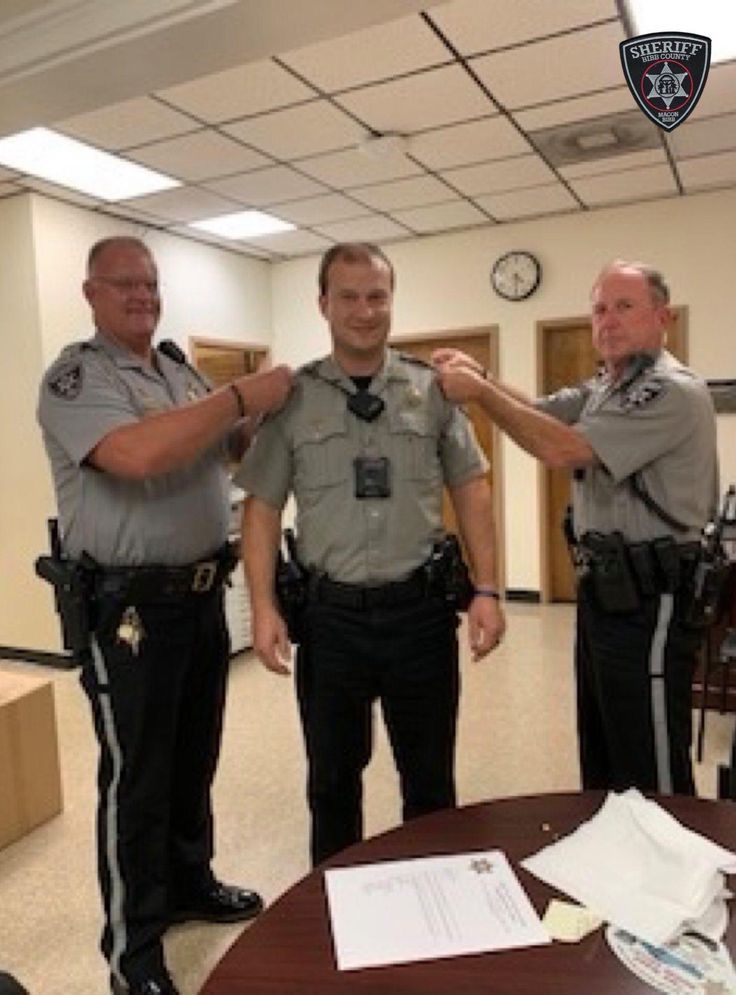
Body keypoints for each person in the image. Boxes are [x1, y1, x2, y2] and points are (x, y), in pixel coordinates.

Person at [37, 236, 293, 995]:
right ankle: (133, 952)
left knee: (191, 760)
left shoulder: (179, 371)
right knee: (137, 779)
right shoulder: (77, 377)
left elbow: (224, 446)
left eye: (151, 284)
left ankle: (189, 883)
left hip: (199, 596)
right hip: (130, 613)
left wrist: (269, 416)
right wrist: (242, 395)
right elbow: (138, 455)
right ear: (91, 292)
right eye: (126, 285)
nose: (143, 296)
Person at [236, 242, 505, 866]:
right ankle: (333, 905)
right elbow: (263, 505)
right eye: (349, 297)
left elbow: (471, 487)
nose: (364, 311)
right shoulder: (293, 398)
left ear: (391, 300)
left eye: (377, 296)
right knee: (332, 782)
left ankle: (438, 898)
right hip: (331, 623)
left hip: (420, 616)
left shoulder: (431, 391)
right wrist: (263, 606)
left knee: (431, 780)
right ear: (323, 303)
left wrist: (488, 590)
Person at [432, 259, 718, 797]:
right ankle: (614, 859)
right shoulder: (608, 386)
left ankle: (669, 870)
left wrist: (477, 392)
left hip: (652, 598)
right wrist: (487, 378)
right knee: (606, 744)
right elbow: (541, 412)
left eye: (624, 307)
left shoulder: (669, 390)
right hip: (607, 594)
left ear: (664, 317)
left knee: (650, 757)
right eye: (599, 309)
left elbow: (560, 446)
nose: (607, 321)